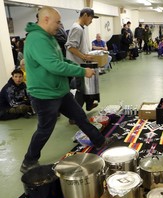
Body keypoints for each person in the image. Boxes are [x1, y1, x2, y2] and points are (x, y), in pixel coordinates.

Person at [20, 6, 112, 173]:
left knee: (80, 117)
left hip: (60, 90)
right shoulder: (37, 39)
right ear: (45, 19)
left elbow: (60, 59)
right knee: (45, 129)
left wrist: (79, 65)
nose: (60, 25)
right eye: (58, 21)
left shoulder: (49, 37)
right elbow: (54, 66)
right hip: (44, 94)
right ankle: (29, 160)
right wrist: (82, 71)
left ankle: (99, 141)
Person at [65, 8, 100, 115]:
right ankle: (74, 116)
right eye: (91, 18)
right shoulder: (77, 28)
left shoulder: (81, 28)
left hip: (81, 62)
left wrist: (85, 55)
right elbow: (70, 47)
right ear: (85, 15)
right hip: (77, 64)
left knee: (86, 87)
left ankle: (89, 104)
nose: (91, 21)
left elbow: (78, 47)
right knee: (80, 90)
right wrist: (84, 57)